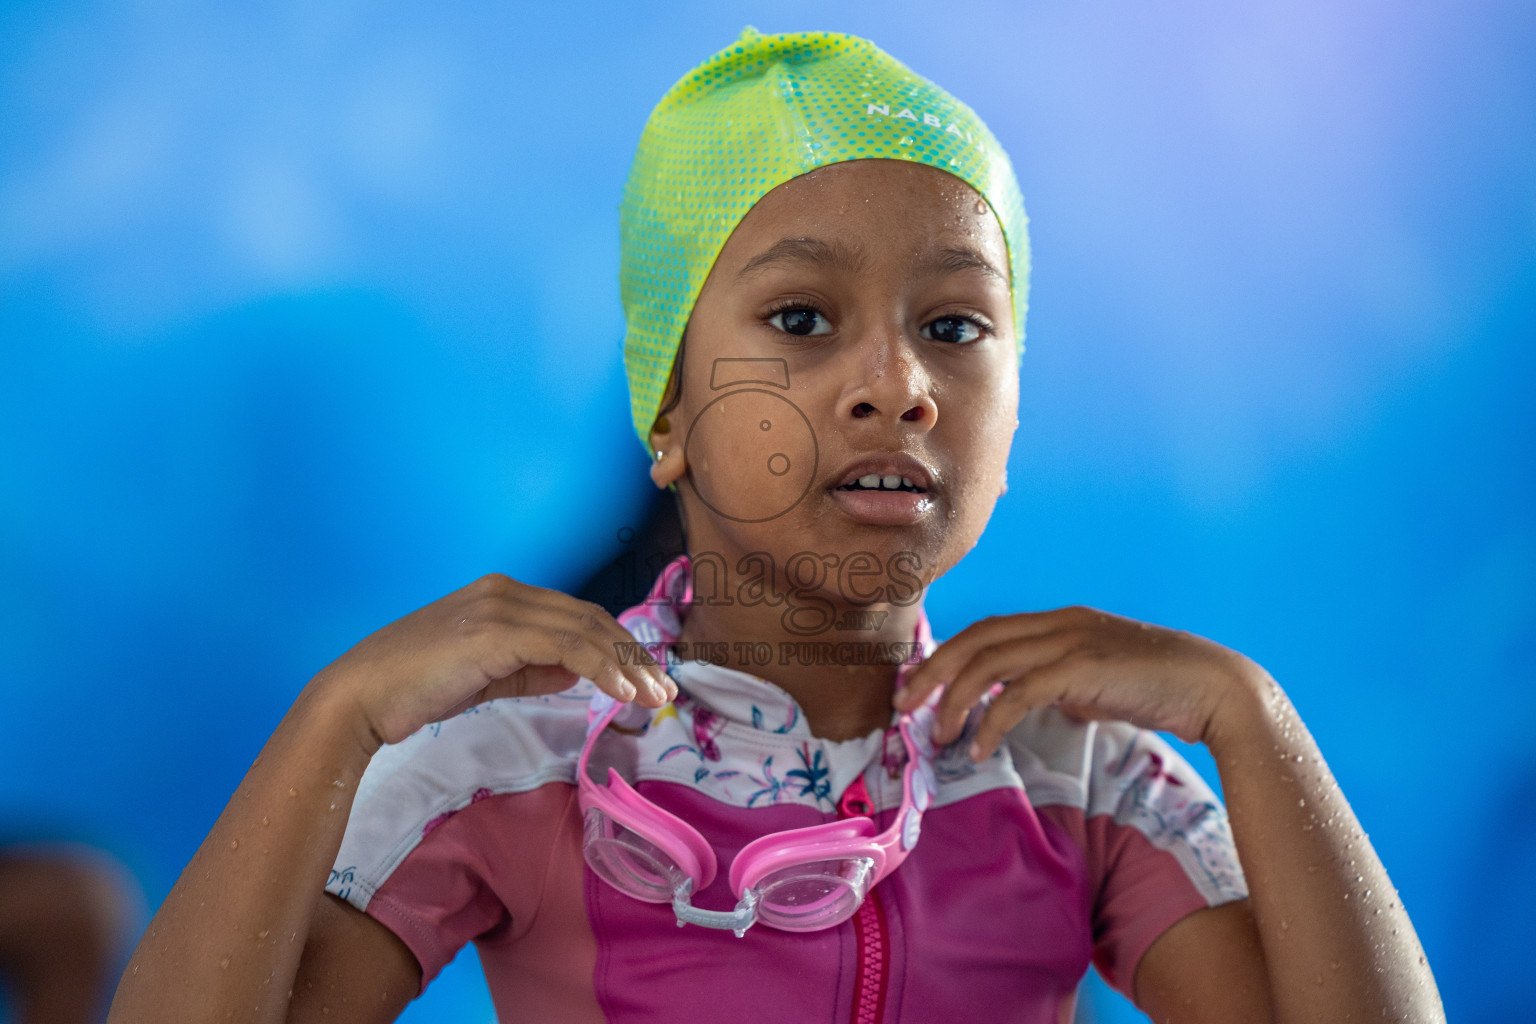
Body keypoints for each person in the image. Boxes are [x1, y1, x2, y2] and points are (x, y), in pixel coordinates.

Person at [106, 28, 1445, 1024]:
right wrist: (335, 718)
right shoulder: (522, 760)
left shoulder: (1068, 780)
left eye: (957, 327)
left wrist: (1250, 717)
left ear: (1015, 416)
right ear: (668, 412)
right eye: (802, 320)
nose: (896, 384)